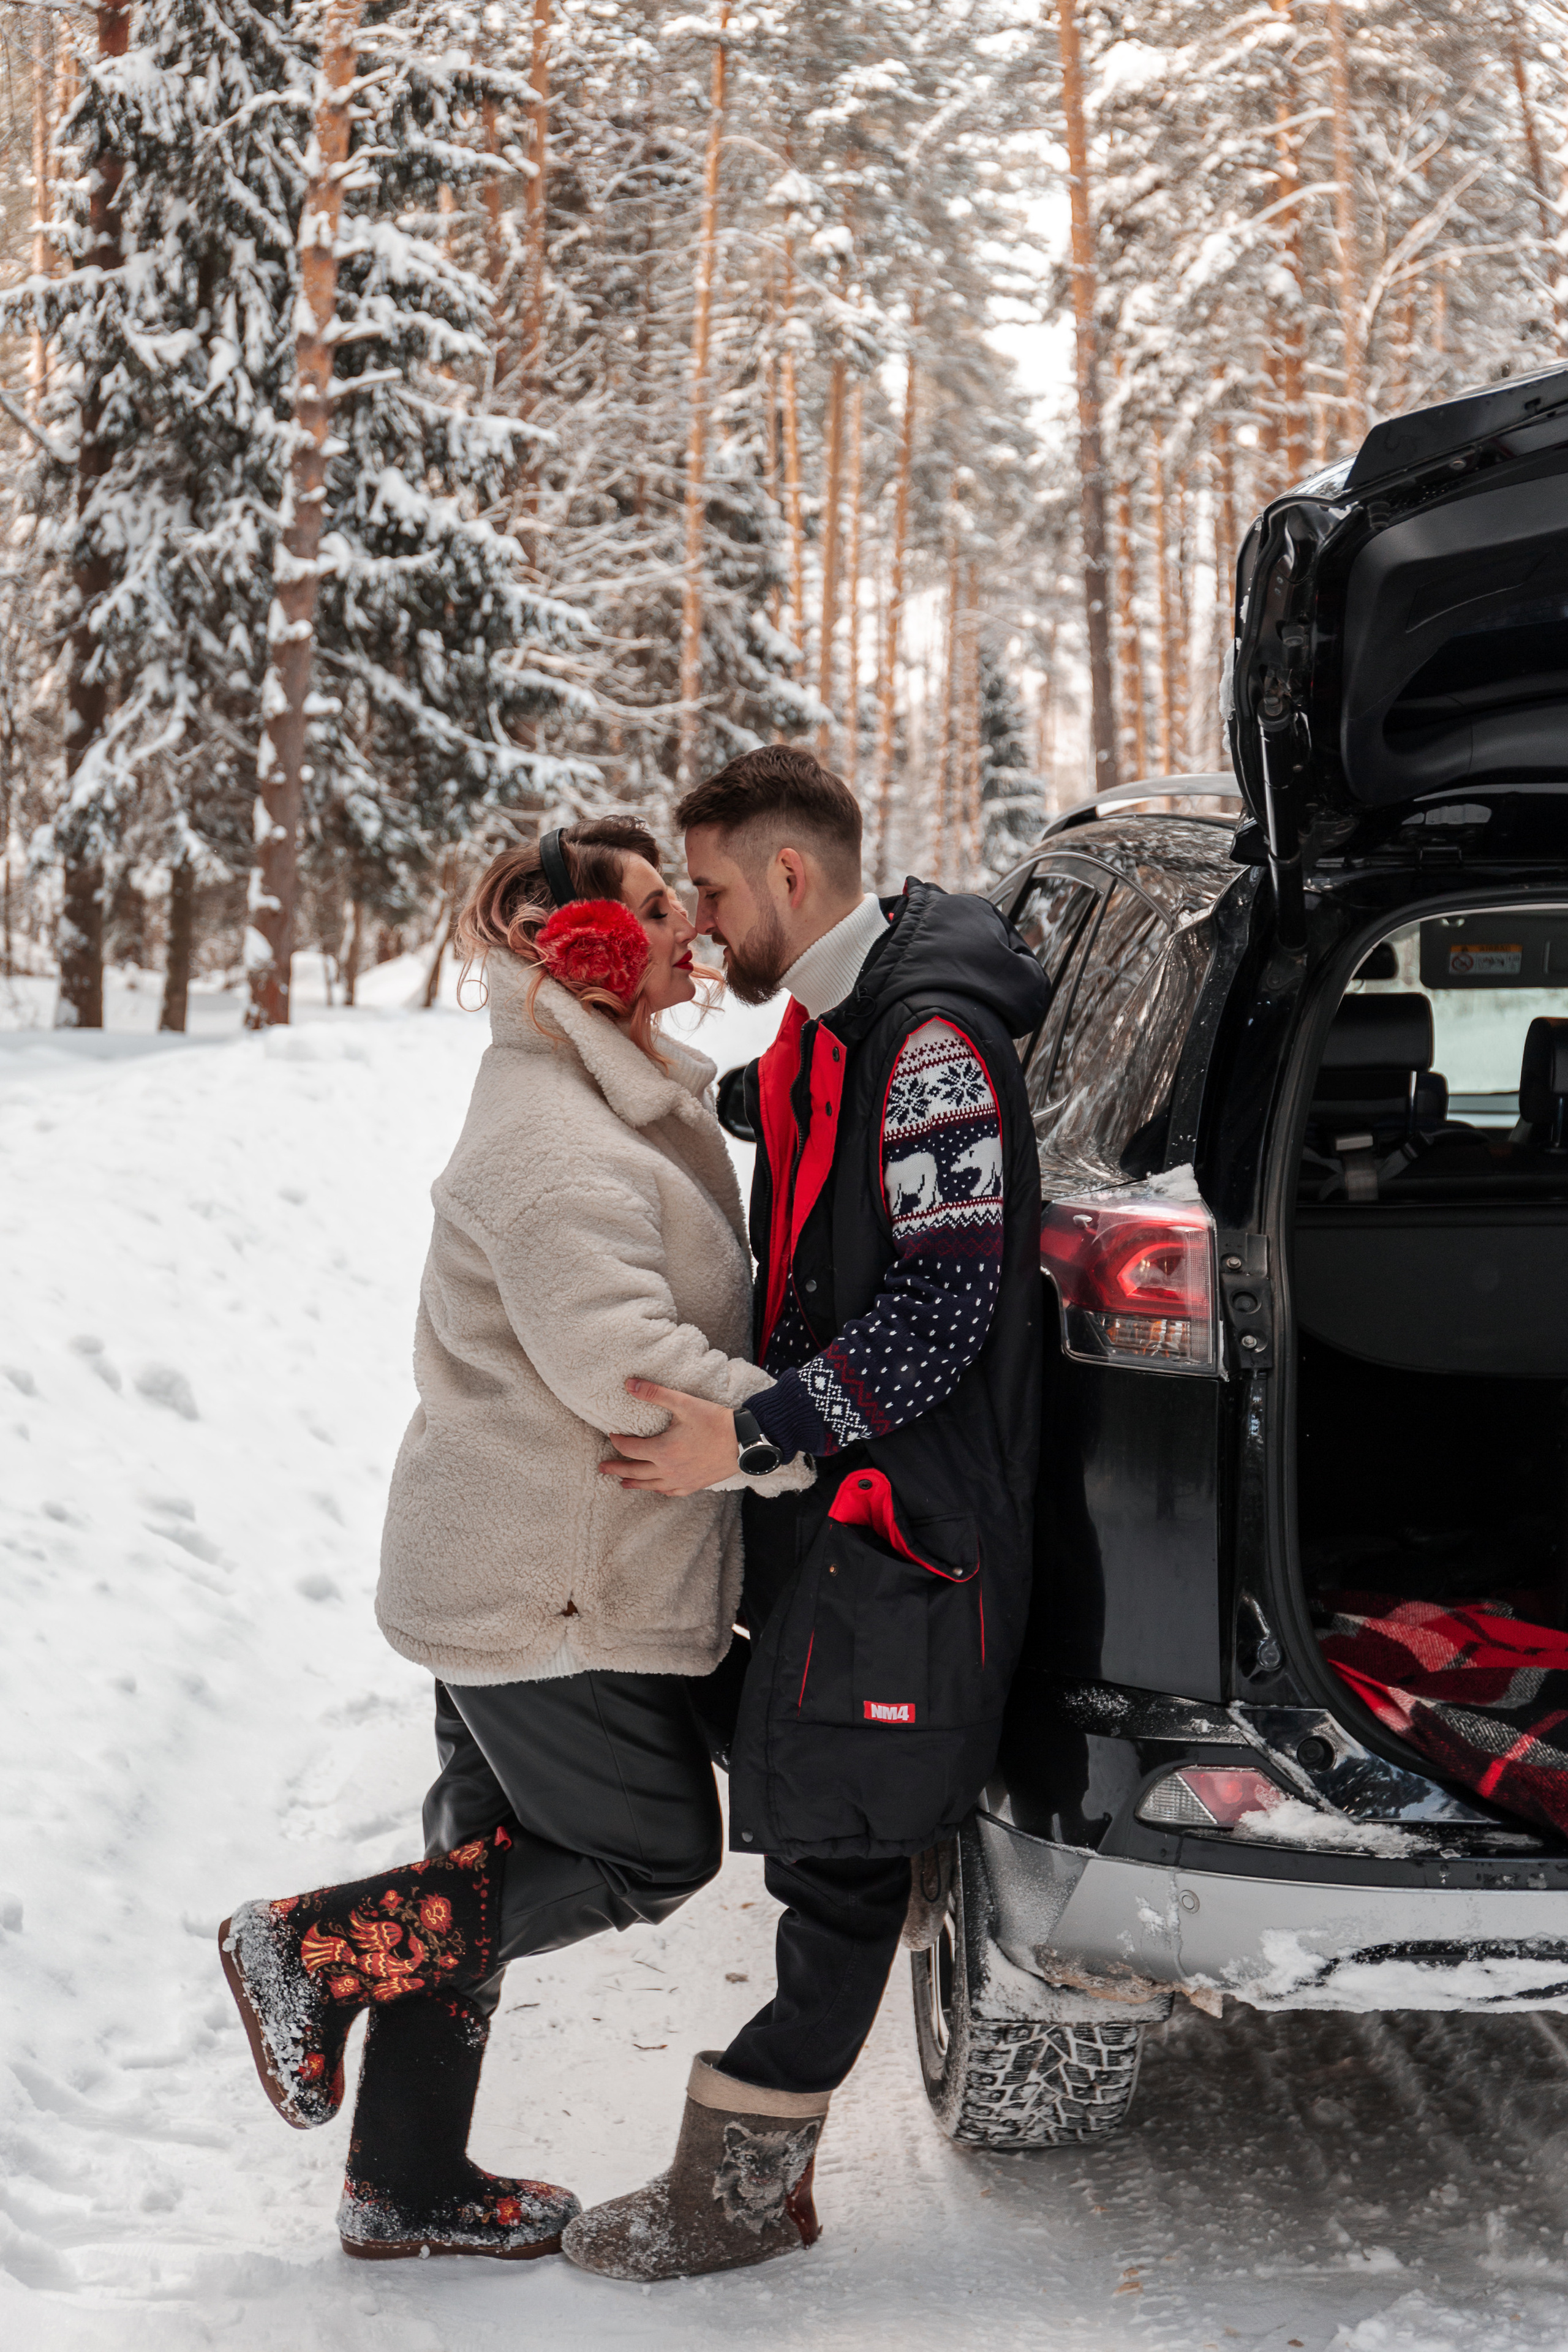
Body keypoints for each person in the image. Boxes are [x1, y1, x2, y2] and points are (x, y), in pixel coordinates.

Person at [217, 816, 810, 2263]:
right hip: (551, 1584)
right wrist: (805, 1431)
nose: (687, 927)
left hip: (521, 1556)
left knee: (480, 1866)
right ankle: (307, 1950)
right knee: (647, 1850)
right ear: (587, 954)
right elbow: (626, 1363)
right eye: (656, 910)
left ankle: (405, 2180)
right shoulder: (553, 1140)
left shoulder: (596, 1093)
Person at [562, 746, 1050, 2284]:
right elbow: (766, 1110)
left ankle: (741, 2191)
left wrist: (751, 1434)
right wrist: (606, 1025)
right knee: (794, 1770)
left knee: (834, 1853)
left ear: (788, 874)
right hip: (836, 1504)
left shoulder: (929, 1047)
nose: (699, 926)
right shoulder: (835, 1019)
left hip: (908, 1515)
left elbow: (943, 1308)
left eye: (709, 892)